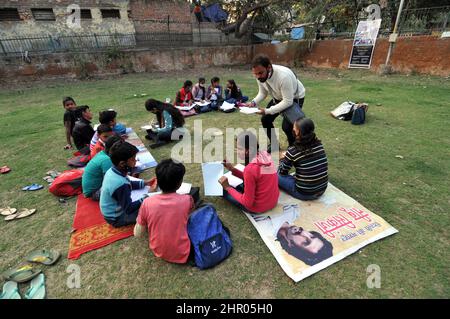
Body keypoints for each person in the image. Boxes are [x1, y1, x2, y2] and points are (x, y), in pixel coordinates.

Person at [134, 159, 195, 264]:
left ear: (157, 180)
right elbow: (189, 217)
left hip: (157, 250)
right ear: (180, 183)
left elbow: (138, 233)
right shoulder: (187, 199)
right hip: (184, 251)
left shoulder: (147, 203)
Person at [247, 55, 306, 152]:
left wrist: (267, 110)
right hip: (278, 97)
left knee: (287, 126)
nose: (258, 76)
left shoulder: (283, 76)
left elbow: (288, 101)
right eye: (255, 74)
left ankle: (294, 149)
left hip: (294, 97)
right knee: (265, 119)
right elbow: (263, 92)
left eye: (260, 73)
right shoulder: (260, 75)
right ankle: (274, 145)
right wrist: (253, 102)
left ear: (269, 67)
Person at [219, 130, 279, 214]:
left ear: (249, 150)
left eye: (239, 148)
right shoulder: (265, 155)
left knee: (222, 190)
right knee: (237, 187)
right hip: (273, 201)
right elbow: (256, 178)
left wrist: (227, 187)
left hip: (258, 208)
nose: (237, 151)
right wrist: (232, 169)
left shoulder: (250, 169)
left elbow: (248, 203)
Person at [100, 142, 155, 227]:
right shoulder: (119, 184)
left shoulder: (113, 170)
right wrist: (147, 195)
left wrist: (145, 182)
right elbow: (129, 209)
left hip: (111, 212)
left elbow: (129, 183)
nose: (136, 161)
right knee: (153, 210)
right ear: (122, 163)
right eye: (133, 159)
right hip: (117, 218)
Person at [278, 118, 328, 200]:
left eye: (294, 129)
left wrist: (283, 159)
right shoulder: (319, 144)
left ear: (298, 132)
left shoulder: (293, 150)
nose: (292, 130)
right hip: (322, 189)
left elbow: (282, 172)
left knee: (275, 175)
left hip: (305, 193)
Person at [82, 135, 122, 201]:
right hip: (94, 193)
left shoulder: (102, 153)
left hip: (93, 189)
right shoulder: (107, 160)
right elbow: (111, 181)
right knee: (123, 187)